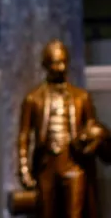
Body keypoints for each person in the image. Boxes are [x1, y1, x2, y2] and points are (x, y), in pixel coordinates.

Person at [16, 39, 108, 218]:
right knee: (46, 213)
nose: (60, 67)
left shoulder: (81, 97)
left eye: (63, 62)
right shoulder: (33, 98)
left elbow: (92, 128)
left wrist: (94, 141)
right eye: (55, 63)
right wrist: (24, 169)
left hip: (74, 165)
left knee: (75, 213)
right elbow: (24, 135)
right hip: (46, 166)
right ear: (45, 64)